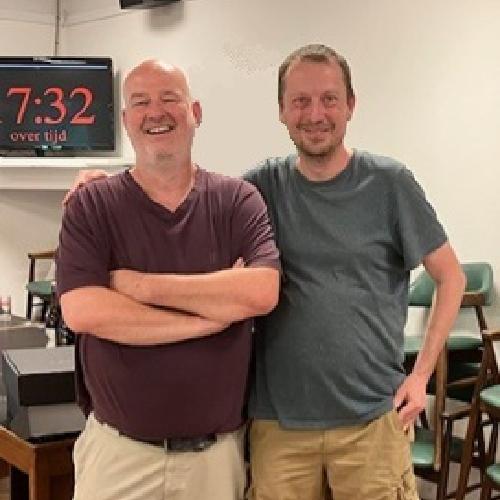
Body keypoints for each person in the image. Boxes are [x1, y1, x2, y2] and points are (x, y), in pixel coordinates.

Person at [66, 45, 466, 500]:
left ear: (350, 105)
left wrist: (421, 375)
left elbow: (450, 278)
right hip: (278, 426)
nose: (315, 114)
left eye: (329, 99)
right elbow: (174, 173)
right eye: (300, 101)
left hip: (371, 419)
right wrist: (104, 180)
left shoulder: (389, 183)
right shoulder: (261, 187)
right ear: (281, 111)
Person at [56, 59, 280, 500]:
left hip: (214, 462)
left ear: (195, 112)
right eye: (141, 102)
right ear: (126, 121)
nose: (155, 112)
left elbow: (261, 291)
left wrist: (139, 287)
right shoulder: (91, 205)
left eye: (169, 98)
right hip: (118, 458)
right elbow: (84, 312)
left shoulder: (238, 201)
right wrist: (210, 319)